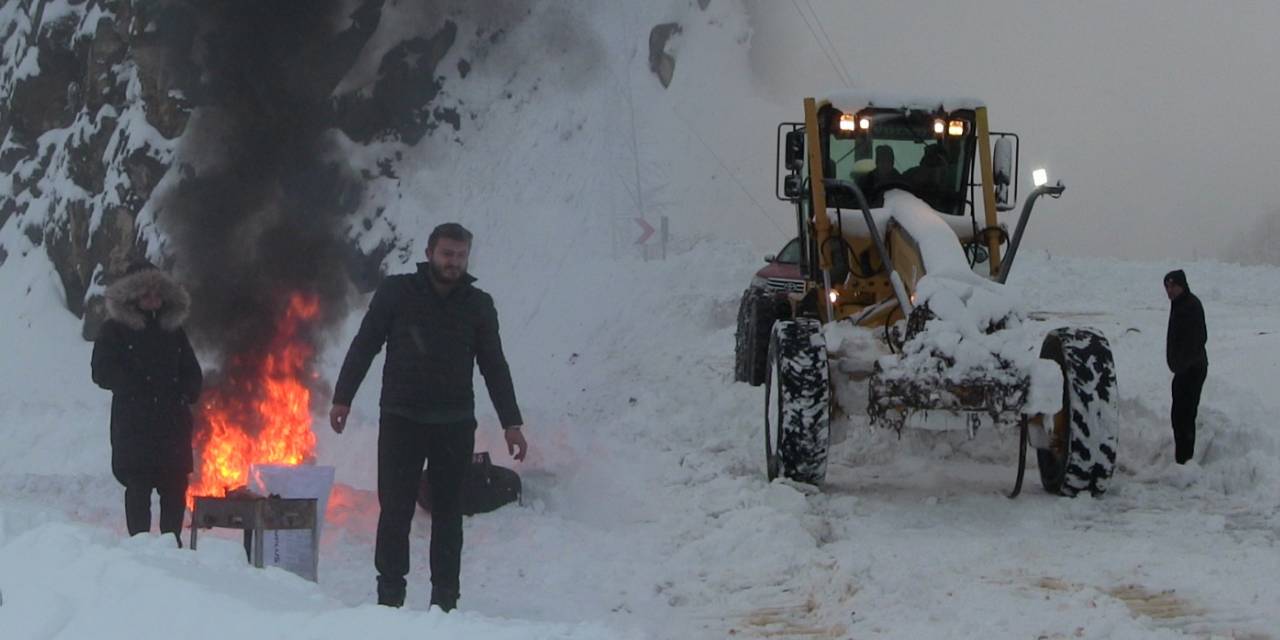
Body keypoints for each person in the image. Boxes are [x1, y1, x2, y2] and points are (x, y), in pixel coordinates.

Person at [329, 222, 528, 612]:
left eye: (460, 255)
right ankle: (389, 599)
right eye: (446, 254)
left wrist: (511, 423)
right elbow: (365, 344)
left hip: (454, 424)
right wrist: (343, 397)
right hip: (402, 419)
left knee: (449, 515)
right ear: (429, 253)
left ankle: (445, 602)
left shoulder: (478, 305)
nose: (453, 262)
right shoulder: (397, 293)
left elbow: (494, 366)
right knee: (395, 511)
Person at [91, 261, 203, 546]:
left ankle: (172, 544)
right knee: (138, 487)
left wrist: (184, 393)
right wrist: (135, 388)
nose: (153, 299)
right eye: (146, 293)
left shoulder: (173, 331)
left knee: (175, 487)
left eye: (157, 293)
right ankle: (139, 548)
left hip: (172, 425)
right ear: (132, 297)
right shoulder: (114, 331)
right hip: (134, 425)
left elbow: (192, 372)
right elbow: (101, 370)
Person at [1164, 269, 1208, 465]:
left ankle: (1185, 461)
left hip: (1193, 369)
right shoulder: (1178, 304)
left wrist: (1183, 362)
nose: (1169, 290)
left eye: (1173, 285)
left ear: (1182, 285)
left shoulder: (1191, 305)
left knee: (1185, 415)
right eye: (1167, 286)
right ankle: (1181, 459)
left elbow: (1200, 338)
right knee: (1178, 415)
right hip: (1182, 370)